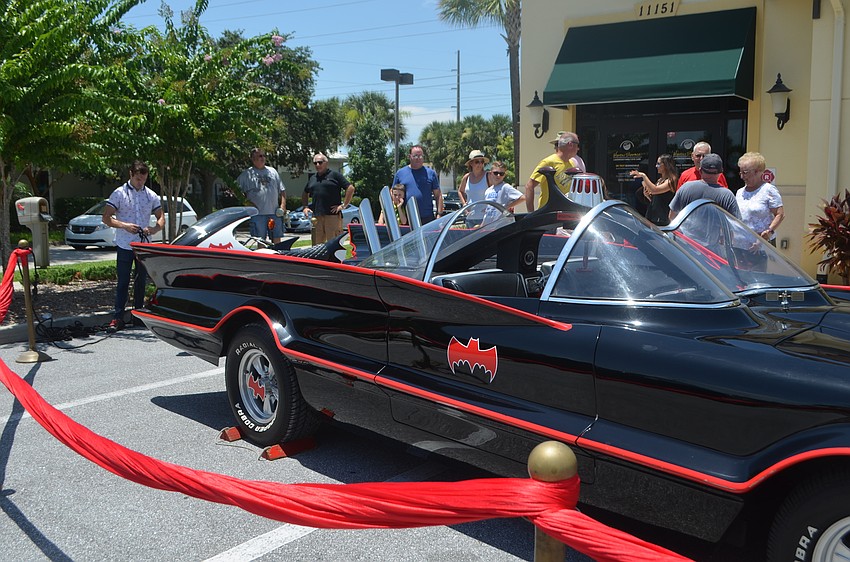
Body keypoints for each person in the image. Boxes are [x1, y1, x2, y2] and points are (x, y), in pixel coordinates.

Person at [102, 160, 164, 332]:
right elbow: (106, 217)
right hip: (124, 244)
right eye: (138, 179)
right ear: (131, 174)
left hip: (143, 245)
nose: (140, 182)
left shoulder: (151, 195)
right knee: (123, 281)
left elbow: (161, 217)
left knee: (141, 282)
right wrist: (124, 226)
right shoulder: (119, 193)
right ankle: (118, 317)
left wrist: (154, 228)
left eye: (143, 179)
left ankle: (137, 315)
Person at [525, 131, 586, 212]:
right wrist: (531, 213)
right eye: (577, 145)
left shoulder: (572, 164)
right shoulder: (549, 162)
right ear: (570, 144)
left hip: (565, 214)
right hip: (548, 214)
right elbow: (529, 186)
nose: (578, 148)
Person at [302, 152, 355, 244]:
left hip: (332, 216)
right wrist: (305, 207)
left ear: (326, 163)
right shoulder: (313, 178)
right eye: (315, 163)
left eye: (320, 162)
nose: (318, 165)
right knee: (316, 245)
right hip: (317, 217)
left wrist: (343, 205)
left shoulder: (335, 175)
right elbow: (305, 192)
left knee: (334, 244)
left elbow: (350, 188)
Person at [669, 153, 740, 220]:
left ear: (700, 171)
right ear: (720, 173)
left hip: (686, 233)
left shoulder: (685, 188)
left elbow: (672, 216)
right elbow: (736, 224)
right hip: (715, 233)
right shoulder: (727, 196)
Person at [237, 148, 286, 244]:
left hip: (274, 213)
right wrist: (247, 202)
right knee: (261, 241)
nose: (263, 158)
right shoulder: (247, 174)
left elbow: (282, 190)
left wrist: (283, 206)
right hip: (257, 214)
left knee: (277, 239)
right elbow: (235, 190)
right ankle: (262, 258)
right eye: (260, 156)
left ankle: (277, 257)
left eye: (264, 155)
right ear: (253, 158)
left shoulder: (273, 171)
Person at [736, 152, 784, 244]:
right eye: (740, 173)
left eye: (745, 173)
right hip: (742, 244)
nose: (742, 176)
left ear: (758, 172)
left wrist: (769, 232)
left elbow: (780, 214)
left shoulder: (768, 190)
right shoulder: (739, 192)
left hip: (762, 244)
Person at [391, 145, 442, 223]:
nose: (418, 158)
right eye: (415, 156)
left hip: (427, 218)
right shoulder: (400, 173)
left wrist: (439, 214)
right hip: (407, 218)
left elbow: (438, 195)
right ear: (409, 156)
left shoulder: (431, 173)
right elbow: (392, 193)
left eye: (421, 156)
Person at [630, 154, 679, 226]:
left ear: (666, 165)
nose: (656, 166)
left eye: (658, 164)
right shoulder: (660, 180)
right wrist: (648, 196)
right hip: (653, 215)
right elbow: (656, 198)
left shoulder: (671, 180)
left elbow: (655, 190)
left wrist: (643, 176)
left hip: (663, 218)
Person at [458, 149, 490, 226]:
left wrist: (490, 207)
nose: (480, 164)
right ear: (471, 163)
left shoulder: (488, 176)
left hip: (484, 217)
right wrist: (464, 205)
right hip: (470, 218)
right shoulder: (467, 177)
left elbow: (496, 191)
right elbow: (460, 191)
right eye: (477, 162)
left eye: (482, 162)